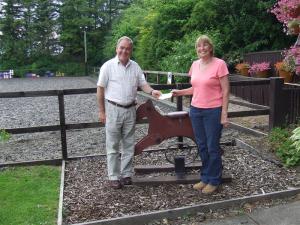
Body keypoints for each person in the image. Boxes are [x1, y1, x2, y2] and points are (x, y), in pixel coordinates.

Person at [97, 36, 161, 189]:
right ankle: (113, 176)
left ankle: (125, 174)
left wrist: (152, 91)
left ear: (131, 51)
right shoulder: (107, 66)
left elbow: (143, 84)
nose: (124, 51)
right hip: (113, 109)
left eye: (128, 48)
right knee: (112, 145)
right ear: (116, 48)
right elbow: (100, 90)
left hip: (130, 110)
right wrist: (102, 111)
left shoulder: (135, 67)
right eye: (122, 48)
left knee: (128, 145)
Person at [172, 35, 230, 194]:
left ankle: (214, 180)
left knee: (212, 146)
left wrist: (224, 114)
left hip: (213, 111)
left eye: (205, 45)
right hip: (196, 110)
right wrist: (179, 92)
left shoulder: (220, 64)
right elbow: (196, 88)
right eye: (198, 46)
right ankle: (205, 177)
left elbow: (226, 90)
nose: (201, 48)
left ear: (210, 48)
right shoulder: (194, 65)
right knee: (202, 146)